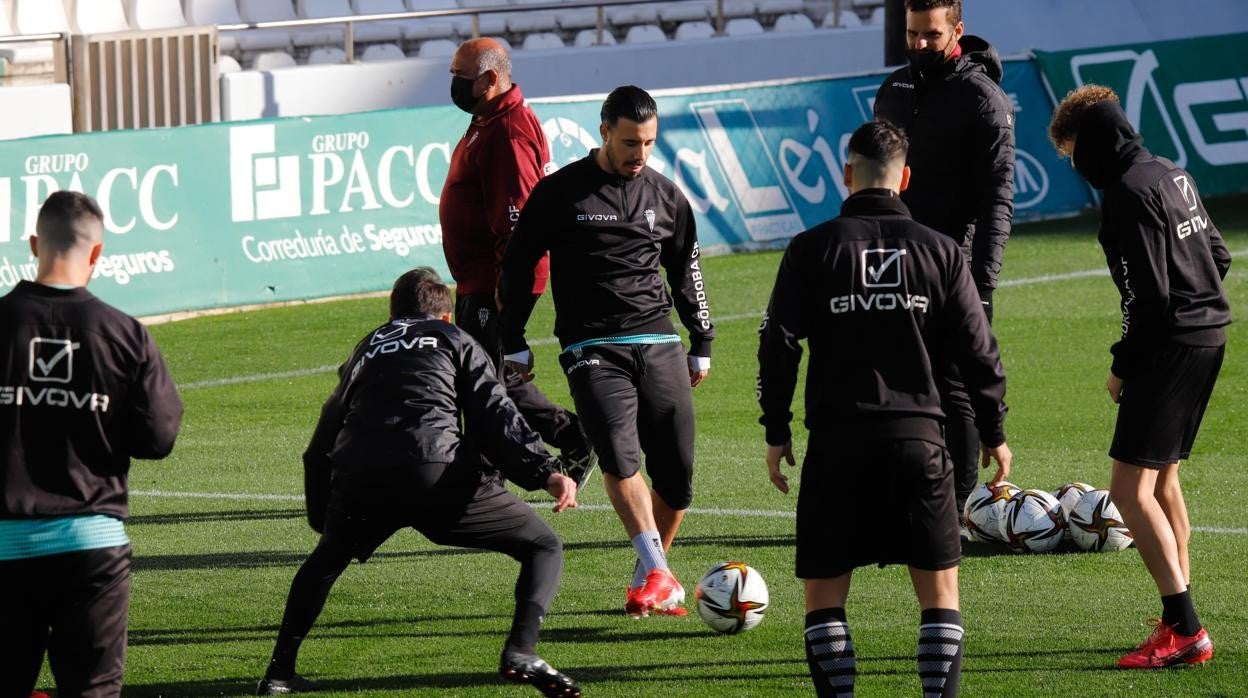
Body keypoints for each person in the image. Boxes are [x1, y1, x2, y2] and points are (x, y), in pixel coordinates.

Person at [757, 120, 1011, 697]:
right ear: (906, 179)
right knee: (940, 598)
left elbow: (778, 343)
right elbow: (980, 352)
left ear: (847, 176)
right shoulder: (942, 252)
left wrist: (776, 430)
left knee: (824, 599)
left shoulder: (811, 248)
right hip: (920, 444)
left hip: (837, 445)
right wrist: (995, 429)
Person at [257, 268, 581, 696]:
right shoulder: (455, 339)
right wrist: (546, 472)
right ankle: (521, 650)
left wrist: (325, 515)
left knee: (324, 562)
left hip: (361, 475)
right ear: (445, 316)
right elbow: (493, 410)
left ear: (393, 315)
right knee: (543, 545)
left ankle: (278, 674)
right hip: (435, 470)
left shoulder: (365, 349)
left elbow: (322, 436)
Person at [497, 85, 714, 618]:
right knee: (620, 454)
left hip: (659, 339)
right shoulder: (559, 193)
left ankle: (648, 579)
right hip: (591, 344)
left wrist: (701, 339)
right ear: (603, 132)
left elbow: (687, 267)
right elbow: (520, 265)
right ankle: (661, 572)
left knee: (678, 479)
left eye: (648, 143)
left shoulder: (665, 195)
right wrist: (514, 338)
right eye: (629, 143)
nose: (639, 155)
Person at [1048, 85, 1229, 669]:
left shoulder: (1126, 192)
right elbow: (1218, 256)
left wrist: (1124, 364)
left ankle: (1184, 628)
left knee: (1129, 491)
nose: (1074, 166)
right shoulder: (1171, 172)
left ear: (1090, 141)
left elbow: (1146, 296)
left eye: (1071, 152)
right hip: (1209, 334)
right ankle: (1180, 614)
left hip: (1170, 343)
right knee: (1163, 481)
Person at [0, 191, 183, 697]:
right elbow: (158, 438)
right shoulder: (125, 335)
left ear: (35, 244)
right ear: (98, 253)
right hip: (91, 549)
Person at [873, 0, 1015, 521]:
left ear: (957, 29)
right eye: (912, 34)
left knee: (955, 390)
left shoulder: (983, 101)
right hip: (890, 262)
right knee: (891, 382)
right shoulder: (893, 89)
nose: (919, 44)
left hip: (953, 269)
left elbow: (998, 198)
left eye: (931, 35)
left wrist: (982, 282)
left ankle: (952, 511)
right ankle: (897, 495)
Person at [439, 37, 596, 489]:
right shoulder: (488, 119)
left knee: (482, 384)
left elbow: (518, 228)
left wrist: (507, 305)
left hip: (492, 282)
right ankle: (571, 439)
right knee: (494, 378)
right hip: (479, 280)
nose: (452, 83)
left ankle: (491, 475)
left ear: (489, 79)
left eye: (459, 75)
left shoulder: (507, 131)